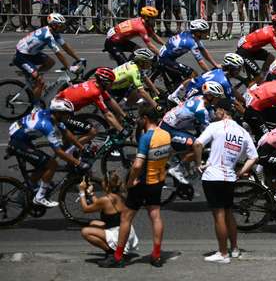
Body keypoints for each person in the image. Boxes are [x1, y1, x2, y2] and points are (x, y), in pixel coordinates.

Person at [100, 105, 169, 268]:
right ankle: (157, 255)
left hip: (143, 183)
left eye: (139, 118)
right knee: (156, 216)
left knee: (126, 218)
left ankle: (117, 257)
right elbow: (167, 155)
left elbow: (137, 165)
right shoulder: (166, 134)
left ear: (145, 118)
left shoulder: (146, 138)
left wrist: (131, 181)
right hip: (157, 181)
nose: (138, 120)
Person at [194, 101, 258, 263]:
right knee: (229, 213)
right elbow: (254, 157)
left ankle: (223, 253)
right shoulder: (243, 132)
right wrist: (241, 171)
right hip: (229, 177)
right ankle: (234, 248)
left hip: (213, 177)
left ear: (223, 111)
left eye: (216, 110)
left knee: (219, 216)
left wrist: (198, 163)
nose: (215, 113)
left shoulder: (216, 126)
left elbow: (198, 143)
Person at [8, 98, 86, 207]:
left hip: (20, 136)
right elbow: (58, 151)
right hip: (18, 143)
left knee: (42, 165)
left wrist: (82, 148)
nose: (69, 116)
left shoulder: (51, 115)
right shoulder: (47, 126)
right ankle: (39, 198)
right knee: (52, 164)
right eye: (67, 114)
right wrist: (78, 163)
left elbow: (66, 132)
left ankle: (25, 193)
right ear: (58, 113)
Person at [14, 13, 83, 99]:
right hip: (22, 56)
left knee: (50, 62)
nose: (63, 27)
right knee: (40, 82)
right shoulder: (47, 35)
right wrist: (68, 67)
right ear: (54, 25)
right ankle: (36, 107)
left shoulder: (54, 32)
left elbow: (65, 47)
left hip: (30, 53)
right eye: (60, 25)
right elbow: (58, 53)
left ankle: (33, 77)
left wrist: (78, 59)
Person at [78, 172, 139, 258]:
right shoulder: (120, 195)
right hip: (126, 231)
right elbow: (100, 204)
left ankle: (110, 251)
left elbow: (85, 209)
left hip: (118, 234)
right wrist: (91, 194)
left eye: (102, 182)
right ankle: (114, 248)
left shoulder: (106, 200)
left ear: (107, 185)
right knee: (93, 223)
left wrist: (81, 192)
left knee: (85, 232)